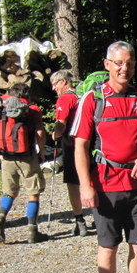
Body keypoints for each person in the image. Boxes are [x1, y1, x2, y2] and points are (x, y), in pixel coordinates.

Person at [72, 41, 137, 273]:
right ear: (107, 64)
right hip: (105, 184)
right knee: (108, 245)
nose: (125, 68)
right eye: (119, 63)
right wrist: (85, 185)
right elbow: (80, 146)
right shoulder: (94, 99)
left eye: (129, 63)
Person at [0, 83, 48, 244]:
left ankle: (0, 219)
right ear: (27, 95)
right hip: (27, 156)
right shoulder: (32, 109)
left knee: (9, 192)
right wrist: (41, 151)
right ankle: (32, 231)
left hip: (6, 156)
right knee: (33, 193)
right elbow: (40, 133)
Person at [49, 69, 88, 237]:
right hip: (89, 141)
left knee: (73, 183)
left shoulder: (65, 98)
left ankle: (80, 220)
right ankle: (100, 215)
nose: (53, 88)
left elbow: (61, 124)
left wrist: (54, 135)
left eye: (55, 84)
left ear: (64, 82)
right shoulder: (83, 96)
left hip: (72, 143)